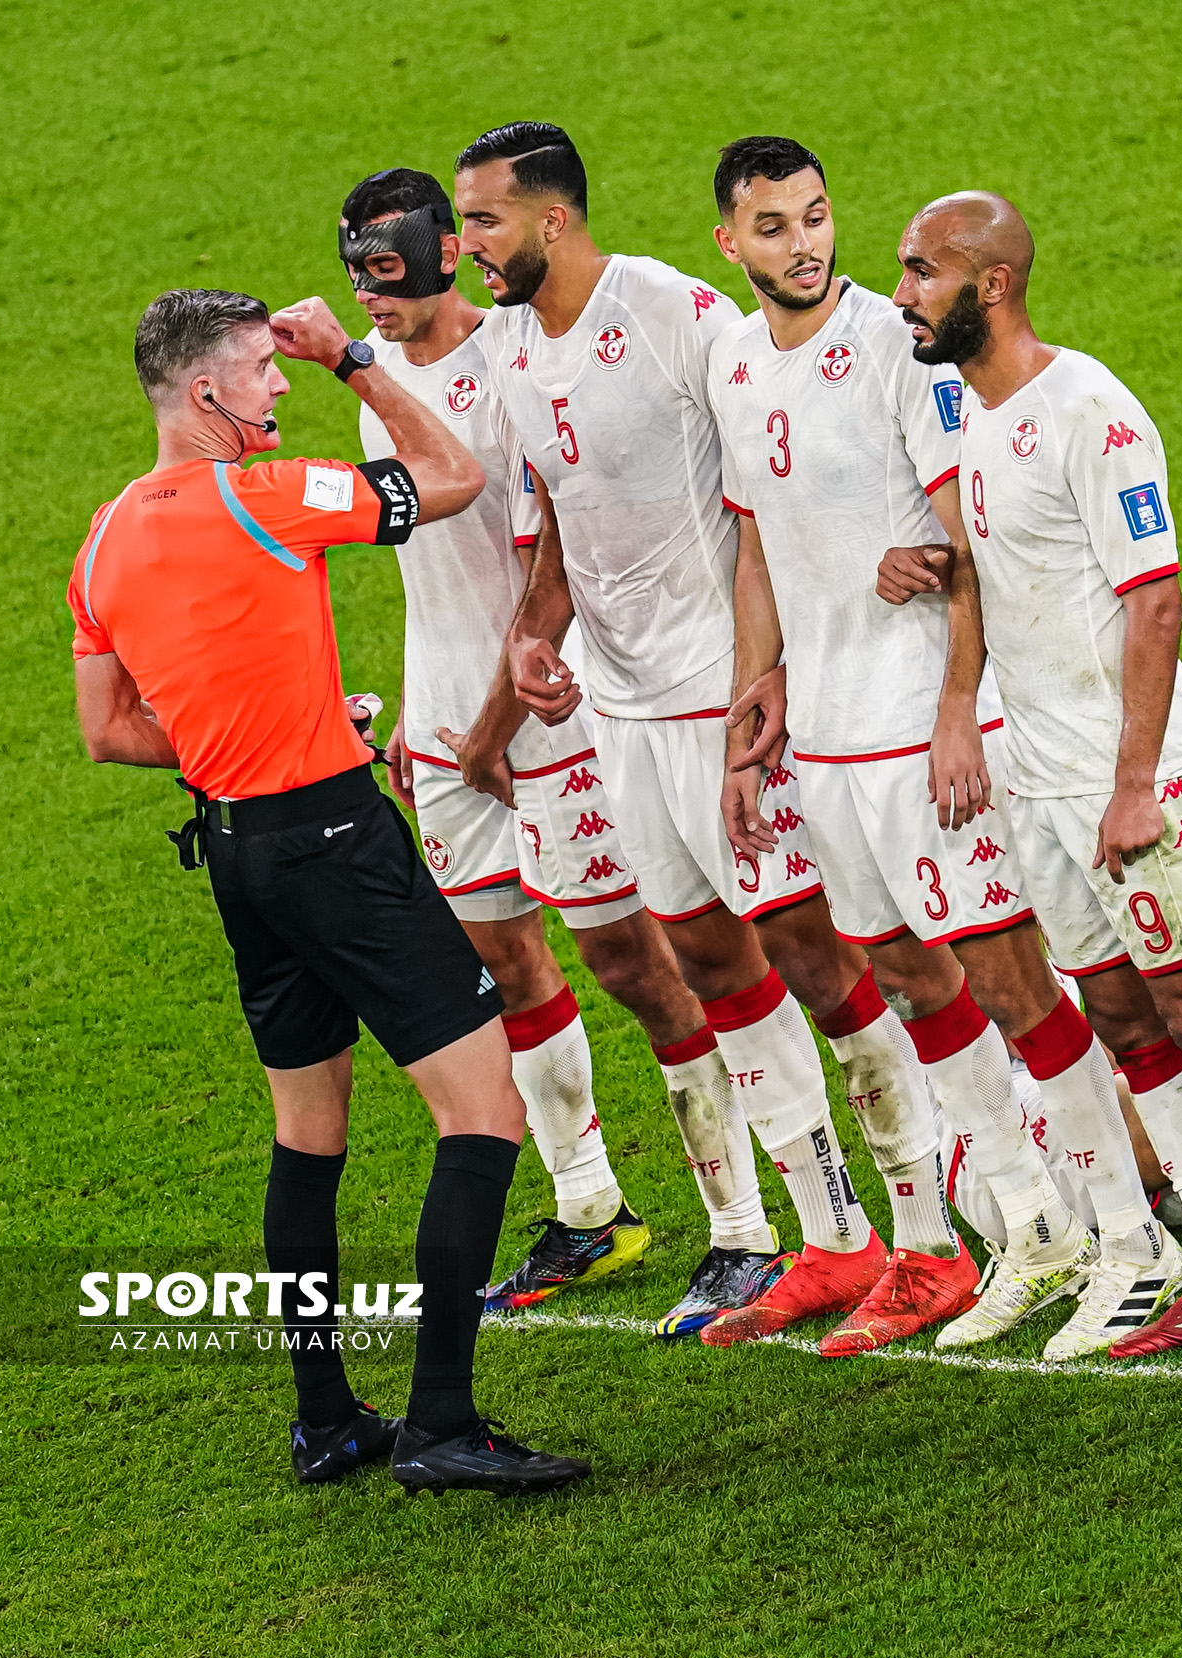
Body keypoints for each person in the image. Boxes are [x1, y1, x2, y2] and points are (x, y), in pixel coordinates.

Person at [68, 285, 587, 1491]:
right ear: (207, 394)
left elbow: (112, 729)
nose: (278, 386)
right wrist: (354, 356)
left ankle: (323, 1419)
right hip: (337, 839)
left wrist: (278, 728)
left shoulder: (103, 535)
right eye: (261, 369)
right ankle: (444, 1422)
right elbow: (450, 471)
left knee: (307, 1134)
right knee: (483, 1109)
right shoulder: (268, 491)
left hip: (239, 849)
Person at [454, 121, 952, 1351]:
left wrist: (766, 671)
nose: (466, 243)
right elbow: (561, 523)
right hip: (622, 715)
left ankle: (934, 1225)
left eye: (482, 221)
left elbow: (780, 478)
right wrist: (536, 636)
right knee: (710, 965)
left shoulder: (677, 316)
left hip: (730, 702)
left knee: (824, 954)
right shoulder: (508, 348)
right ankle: (835, 1236)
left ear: (550, 221)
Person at [705, 135, 1182, 1359]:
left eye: (815, 216)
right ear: (729, 243)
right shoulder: (734, 367)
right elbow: (758, 541)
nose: (804, 244)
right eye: (773, 226)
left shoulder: (895, 349)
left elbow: (965, 536)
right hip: (827, 741)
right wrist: (760, 681)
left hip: (926, 734)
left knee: (1016, 988)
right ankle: (1035, 1231)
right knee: (919, 993)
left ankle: (1135, 1245)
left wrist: (951, 713)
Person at [887, 192, 1182, 1376]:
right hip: (1041, 784)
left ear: (987, 285)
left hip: (1138, 781)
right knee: (1124, 1019)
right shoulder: (978, 423)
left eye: (920, 271)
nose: (900, 292)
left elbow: (1153, 597)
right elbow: (1000, 584)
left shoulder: (1087, 410)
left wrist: (1134, 782)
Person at [334, 166, 788, 1336]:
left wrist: (495, 713)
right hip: (446, 729)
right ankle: (589, 1205)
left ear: (444, 251)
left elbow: (547, 557)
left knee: (642, 963)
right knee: (505, 970)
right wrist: (429, 717)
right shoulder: (380, 386)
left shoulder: (512, 358)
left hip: (553, 717)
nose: (373, 297)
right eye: (357, 279)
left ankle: (742, 1223)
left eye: (389, 270)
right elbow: (430, 566)